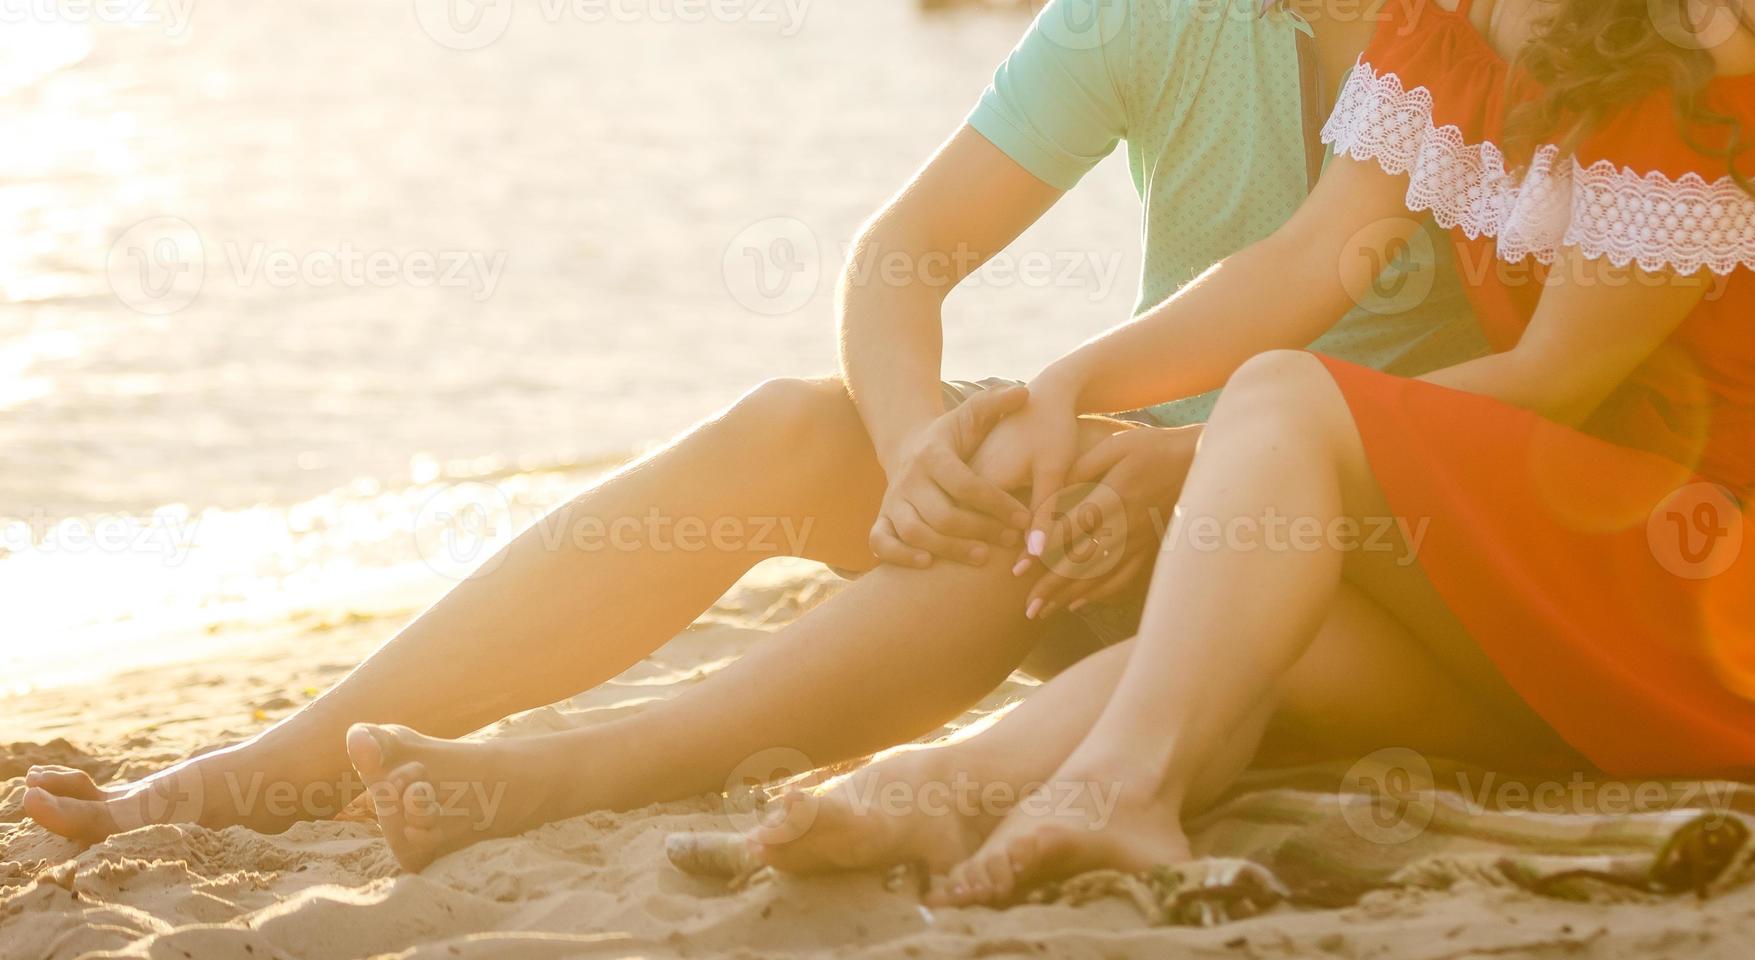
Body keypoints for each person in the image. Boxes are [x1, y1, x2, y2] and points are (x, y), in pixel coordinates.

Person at [24, 0, 1487, 865]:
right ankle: (267, 765)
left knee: (1009, 538)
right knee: (807, 432)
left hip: (1373, 560)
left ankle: (586, 771)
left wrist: (1169, 461)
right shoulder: (1159, 17)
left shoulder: (1516, 44)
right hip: (1122, 501)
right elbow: (904, 252)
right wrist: (919, 442)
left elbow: (1570, 399)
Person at [740, 0, 1755, 906]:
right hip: (1573, 559)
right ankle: (948, 787)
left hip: (1749, 586)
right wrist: (1073, 382)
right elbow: (1302, 259)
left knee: (1286, 404)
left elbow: (1553, 381)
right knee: (1264, 615)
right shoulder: (1445, 19)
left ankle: (1121, 790)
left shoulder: (1718, 36)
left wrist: (1236, 444)